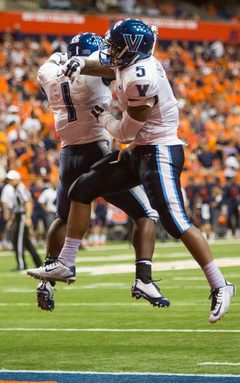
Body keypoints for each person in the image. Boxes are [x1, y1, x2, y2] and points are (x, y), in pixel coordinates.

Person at [29, 18, 235, 324]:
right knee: (81, 189)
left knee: (174, 221)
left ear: (132, 50)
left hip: (159, 151)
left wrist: (103, 117)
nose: (109, 50)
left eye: (114, 45)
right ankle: (67, 264)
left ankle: (220, 284)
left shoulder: (141, 78)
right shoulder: (128, 63)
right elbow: (106, 67)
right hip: (139, 151)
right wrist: (82, 64)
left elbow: (123, 132)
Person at [27, 32, 166, 312]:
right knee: (145, 213)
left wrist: (67, 57)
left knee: (63, 216)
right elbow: (117, 67)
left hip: (68, 154)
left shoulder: (47, 71)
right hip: (97, 148)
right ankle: (144, 278)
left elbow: (54, 63)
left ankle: (48, 279)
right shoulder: (97, 68)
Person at [6, 170, 42, 271]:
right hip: (18, 216)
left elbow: (28, 202)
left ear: (16, 179)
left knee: (19, 241)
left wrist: (28, 217)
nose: (9, 181)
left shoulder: (20, 189)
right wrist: (11, 220)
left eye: (10, 179)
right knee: (26, 242)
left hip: (22, 216)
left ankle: (21, 265)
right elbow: (16, 207)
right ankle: (38, 262)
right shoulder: (16, 189)